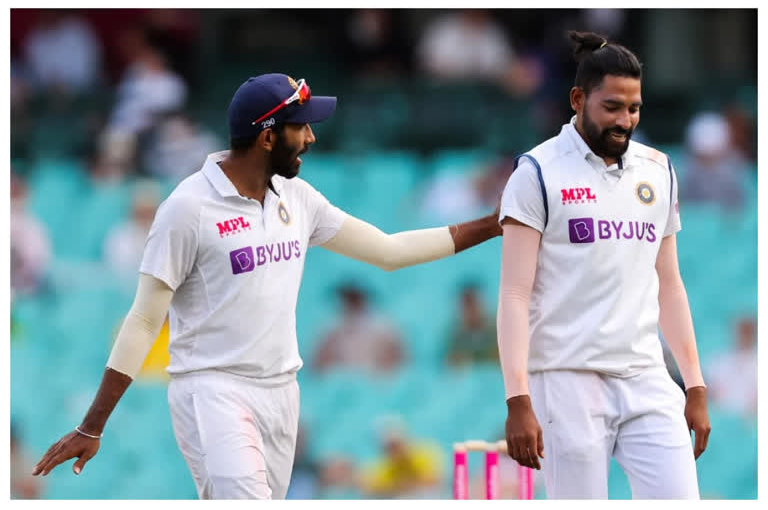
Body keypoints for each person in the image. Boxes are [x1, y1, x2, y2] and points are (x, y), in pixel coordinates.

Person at [32, 73, 503, 499]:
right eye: (301, 128)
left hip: (282, 391)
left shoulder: (297, 198)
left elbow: (389, 251)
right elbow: (143, 319)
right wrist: (92, 427)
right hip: (214, 389)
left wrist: (496, 222)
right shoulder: (188, 209)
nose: (312, 138)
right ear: (267, 135)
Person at [496, 31, 710, 499]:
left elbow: (669, 285)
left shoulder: (658, 169)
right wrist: (518, 398)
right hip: (565, 379)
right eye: (612, 106)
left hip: (645, 376)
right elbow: (514, 294)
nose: (625, 120)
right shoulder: (535, 172)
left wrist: (694, 384)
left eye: (633, 108)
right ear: (578, 99)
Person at [312, 283, 404, 374]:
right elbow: (316, 364)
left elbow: (399, 358)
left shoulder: (382, 327)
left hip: (374, 380)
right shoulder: (333, 329)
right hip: (343, 379)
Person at [705, 315, 757, 418]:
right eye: (742, 331)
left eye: (748, 332)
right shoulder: (718, 361)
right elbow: (709, 394)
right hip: (720, 420)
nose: (745, 336)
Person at [444, 283, 499, 366]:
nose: (471, 310)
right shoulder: (453, 338)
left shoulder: (500, 333)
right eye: (467, 305)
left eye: (474, 303)